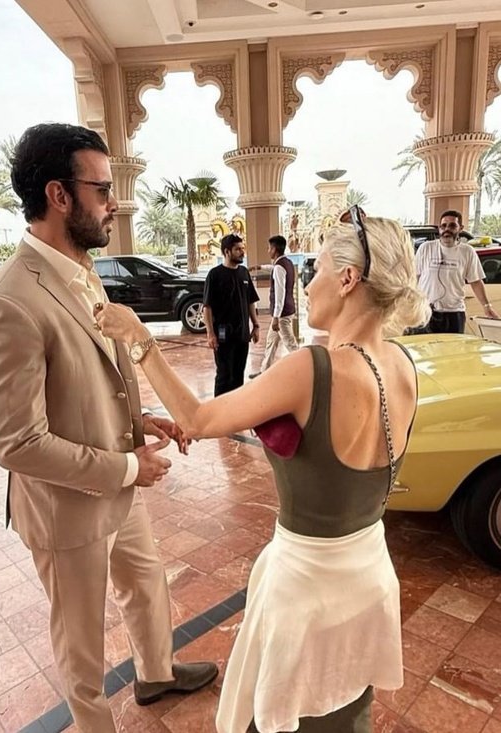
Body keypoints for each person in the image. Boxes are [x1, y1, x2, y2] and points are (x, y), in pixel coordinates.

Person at [95, 205, 430, 732]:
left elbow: (199, 418)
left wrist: (138, 336)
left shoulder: (312, 368)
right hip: (369, 577)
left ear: (348, 279)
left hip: (306, 589)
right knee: (345, 710)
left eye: (318, 269)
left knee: (278, 715)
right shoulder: (403, 365)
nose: (308, 283)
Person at [0, 123, 217, 733]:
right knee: (80, 639)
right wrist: (130, 466)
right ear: (59, 195)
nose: (114, 204)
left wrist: (142, 422)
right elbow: (18, 443)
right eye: (102, 190)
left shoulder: (83, 272)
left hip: (118, 483)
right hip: (66, 506)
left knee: (145, 583)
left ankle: (155, 673)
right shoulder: (6, 302)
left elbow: (92, 379)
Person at [415, 209, 499, 332]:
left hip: (454, 314)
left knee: (454, 344)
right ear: (439, 228)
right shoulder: (426, 248)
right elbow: (414, 277)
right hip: (425, 312)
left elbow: (476, 281)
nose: (447, 229)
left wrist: (487, 306)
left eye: (452, 226)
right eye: (443, 226)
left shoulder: (467, 251)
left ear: (460, 228)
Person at [203, 234, 260, 396]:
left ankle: (236, 406)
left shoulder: (244, 273)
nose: (242, 252)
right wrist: (210, 333)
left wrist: (256, 325)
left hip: (242, 334)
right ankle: (219, 407)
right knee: (224, 374)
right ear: (227, 252)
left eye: (242, 248)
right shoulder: (215, 275)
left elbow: (250, 301)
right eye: (238, 249)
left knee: (238, 373)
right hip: (223, 333)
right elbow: (207, 307)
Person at [249, 235, 298, 378]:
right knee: (271, 343)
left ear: (275, 249)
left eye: (269, 248)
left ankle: (307, 369)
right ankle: (264, 372)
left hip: (282, 315)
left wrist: (276, 317)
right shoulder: (286, 263)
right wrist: (259, 267)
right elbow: (274, 268)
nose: (268, 250)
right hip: (286, 311)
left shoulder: (279, 268)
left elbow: (279, 295)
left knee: (291, 345)